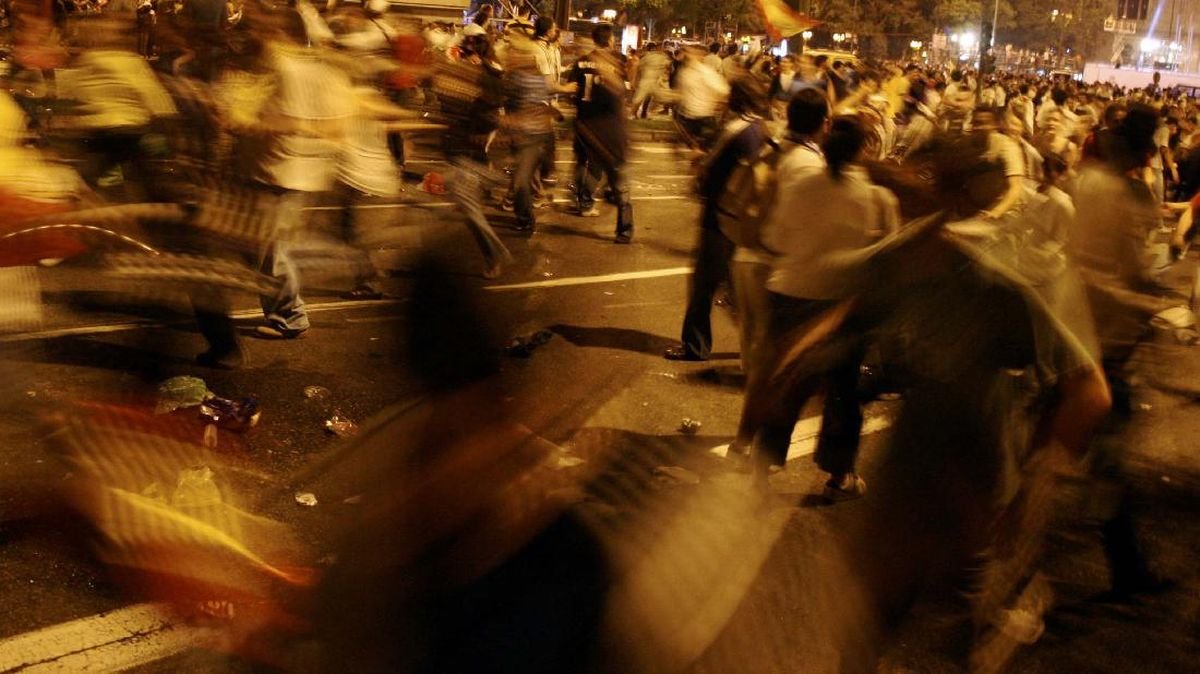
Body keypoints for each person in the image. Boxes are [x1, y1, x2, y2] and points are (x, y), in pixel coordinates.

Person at [747, 97, 901, 501]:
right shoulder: (878, 199)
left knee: (787, 384)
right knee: (842, 391)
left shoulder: (801, 186)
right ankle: (840, 471)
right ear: (865, 149)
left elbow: (774, 238)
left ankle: (763, 464)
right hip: (841, 307)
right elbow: (888, 257)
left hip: (789, 295)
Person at [664, 76, 771, 362]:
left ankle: (695, 345)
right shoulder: (759, 128)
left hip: (720, 217)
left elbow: (717, 174)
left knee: (704, 285)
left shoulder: (736, 130)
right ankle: (762, 344)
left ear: (737, 98)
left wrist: (700, 162)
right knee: (734, 288)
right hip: (740, 219)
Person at [565, 24, 635, 244]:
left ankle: (584, 201)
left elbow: (571, 91)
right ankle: (624, 230)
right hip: (611, 130)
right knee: (619, 179)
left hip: (586, 126)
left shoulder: (581, 62)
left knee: (590, 166)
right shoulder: (617, 62)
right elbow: (625, 94)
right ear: (611, 39)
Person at [674, 45, 730, 150]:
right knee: (692, 146)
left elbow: (723, 90)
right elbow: (681, 91)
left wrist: (717, 103)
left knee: (704, 147)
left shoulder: (706, 72)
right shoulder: (685, 71)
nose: (688, 56)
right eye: (688, 53)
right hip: (686, 115)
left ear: (700, 56)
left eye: (692, 53)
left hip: (703, 115)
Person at [630, 42, 668, 119]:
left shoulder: (650, 56)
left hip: (648, 80)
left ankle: (640, 113)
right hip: (647, 80)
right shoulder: (650, 56)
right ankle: (636, 114)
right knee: (642, 98)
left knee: (643, 98)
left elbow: (638, 68)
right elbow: (638, 68)